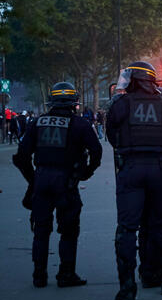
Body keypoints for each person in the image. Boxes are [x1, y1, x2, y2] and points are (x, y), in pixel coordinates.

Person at [106, 62, 162, 300]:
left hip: (131, 169)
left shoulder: (120, 104)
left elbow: (112, 136)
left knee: (127, 228)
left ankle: (127, 289)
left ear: (133, 80)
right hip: (161, 170)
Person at [12, 82, 102, 288]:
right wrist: (84, 173)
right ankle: (66, 274)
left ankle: (39, 276)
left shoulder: (37, 122)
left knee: (41, 230)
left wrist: (33, 180)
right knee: (69, 230)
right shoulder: (80, 124)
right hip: (67, 181)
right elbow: (96, 151)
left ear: (51, 101)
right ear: (74, 103)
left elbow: (22, 156)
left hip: (42, 179)